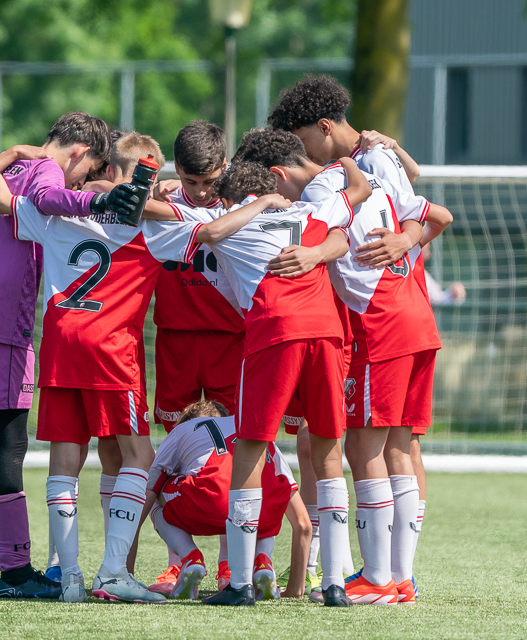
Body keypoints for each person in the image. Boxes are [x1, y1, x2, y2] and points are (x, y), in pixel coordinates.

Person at [0, 133, 290, 604]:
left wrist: (13, 160)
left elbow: (3, 199)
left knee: (64, 462)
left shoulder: (63, 209)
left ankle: (68, 578)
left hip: (62, 342)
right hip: (112, 350)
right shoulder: (150, 226)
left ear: (108, 168)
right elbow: (210, 231)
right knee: (141, 458)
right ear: (152, 174)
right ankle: (113, 572)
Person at [143, 157, 373, 606]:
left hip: (274, 332)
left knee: (249, 446)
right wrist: (346, 161)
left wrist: (161, 187)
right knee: (328, 450)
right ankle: (333, 584)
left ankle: (240, 582)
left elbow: (162, 217)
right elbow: (359, 193)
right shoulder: (312, 211)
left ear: (229, 197)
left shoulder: (224, 219)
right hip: (325, 332)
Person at [270, 74, 451, 598]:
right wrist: (408, 237)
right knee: (397, 447)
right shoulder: (373, 159)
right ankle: (397, 578)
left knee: (367, 448)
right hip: (413, 312)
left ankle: (378, 576)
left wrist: (315, 253)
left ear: (323, 129)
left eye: (302, 139)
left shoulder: (339, 179)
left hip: (381, 319)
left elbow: (334, 236)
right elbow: (434, 213)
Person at [0, 114, 111, 599]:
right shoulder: (48, 171)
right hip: (2, 321)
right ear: (79, 152)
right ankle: (16, 571)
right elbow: (49, 198)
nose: (79, 180)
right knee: (10, 442)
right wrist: (99, 199)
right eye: (87, 170)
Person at [146, 121, 241, 595]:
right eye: (191, 182)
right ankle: (178, 562)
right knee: (176, 452)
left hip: (231, 340)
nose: (202, 194)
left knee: (232, 451)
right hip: (177, 339)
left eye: (210, 182)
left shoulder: (241, 205)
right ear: (176, 172)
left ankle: (231, 563)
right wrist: (154, 189)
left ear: (225, 168)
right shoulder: (161, 203)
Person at [144, 400, 310, 602]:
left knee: (156, 487)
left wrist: (124, 557)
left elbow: (149, 487)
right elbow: (303, 524)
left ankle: (190, 557)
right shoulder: (256, 430)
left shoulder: (181, 430)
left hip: (206, 502)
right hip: (258, 513)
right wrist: (295, 589)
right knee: (266, 493)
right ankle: (263, 561)